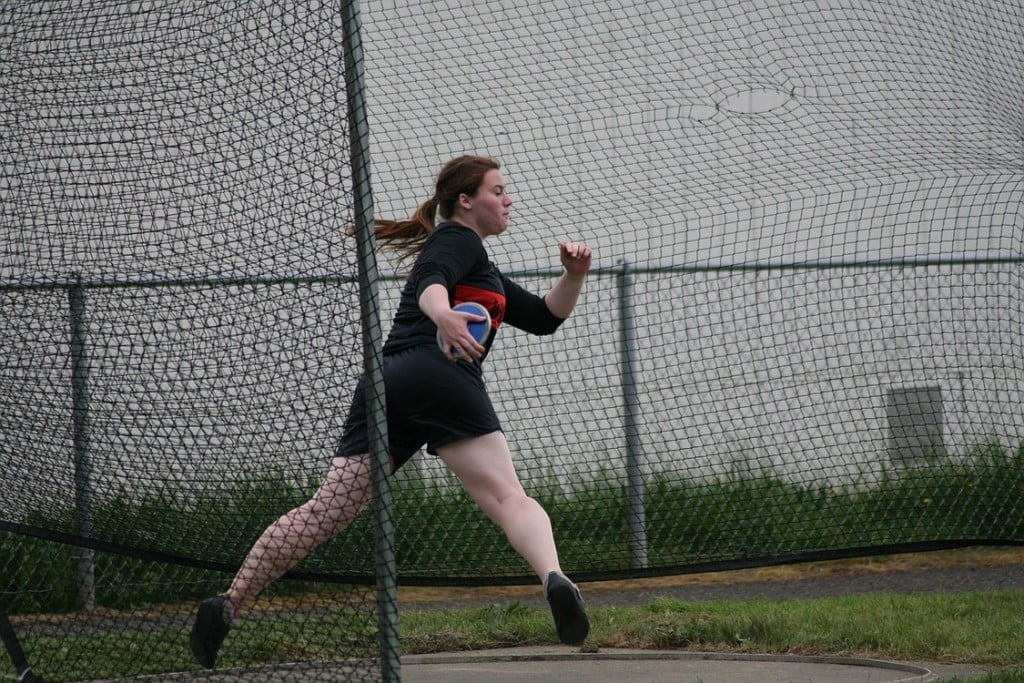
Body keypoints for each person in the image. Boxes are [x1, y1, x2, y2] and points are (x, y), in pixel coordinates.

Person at [189, 155, 593, 668]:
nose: (508, 199)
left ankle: (229, 603)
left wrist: (573, 275)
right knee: (507, 496)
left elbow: (542, 317)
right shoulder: (457, 238)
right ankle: (554, 578)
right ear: (466, 201)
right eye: (498, 190)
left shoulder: (482, 266)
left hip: (390, 385)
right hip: (442, 376)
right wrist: (443, 314)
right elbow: (432, 277)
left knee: (325, 512)